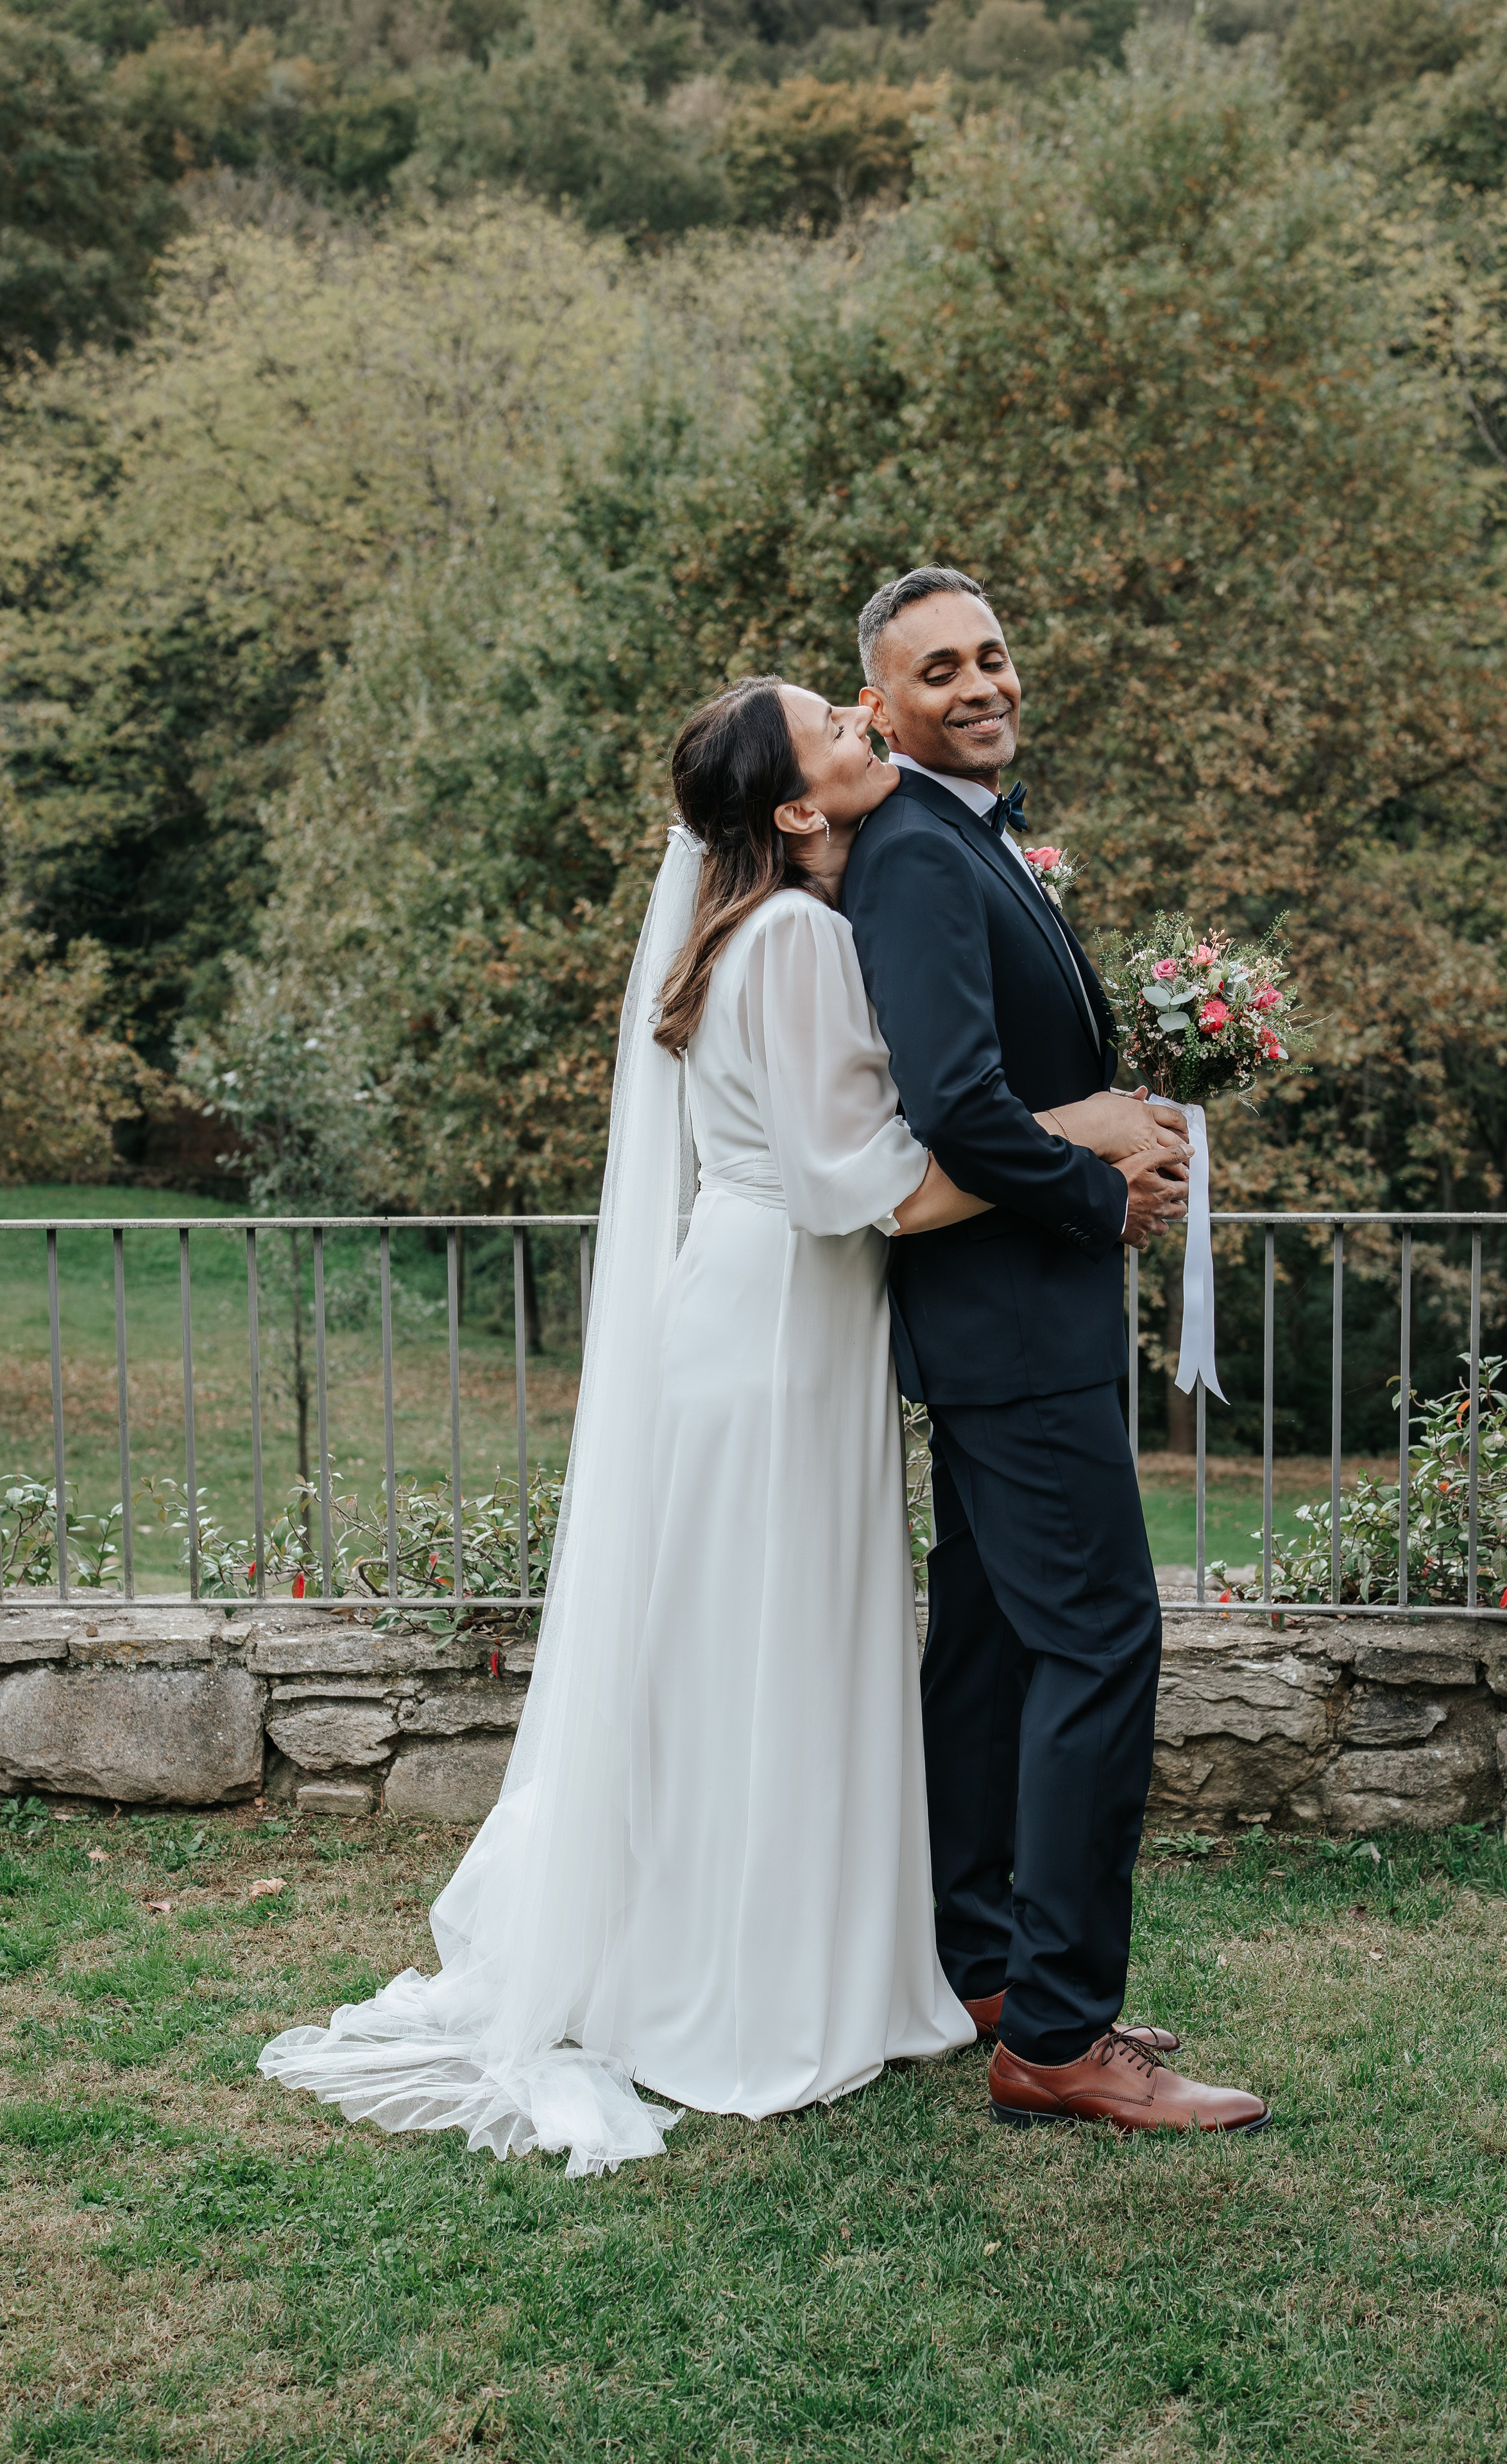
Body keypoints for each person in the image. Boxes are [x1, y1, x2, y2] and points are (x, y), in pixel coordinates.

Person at [259, 676, 1184, 2173]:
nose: (861, 710)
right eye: (831, 716)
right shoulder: (804, 936)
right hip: (779, 1329)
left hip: (750, 1315)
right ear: (796, 808)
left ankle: (739, 1954)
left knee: (734, 1657)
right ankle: (753, 1997)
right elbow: (867, 1186)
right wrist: (1086, 1129)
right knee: (777, 1650)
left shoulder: (732, 935)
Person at [845, 566, 1271, 2134]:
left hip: (1017, 1329)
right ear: (878, 708)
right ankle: (1063, 2036)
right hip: (1009, 1329)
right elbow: (952, 1107)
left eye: (992, 655)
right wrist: (1098, 1195)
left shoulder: (978, 840)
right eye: (936, 669)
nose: (977, 683)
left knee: (994, 1646)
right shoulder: (910, 853)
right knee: (1103, 1642)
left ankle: (983, 1970)